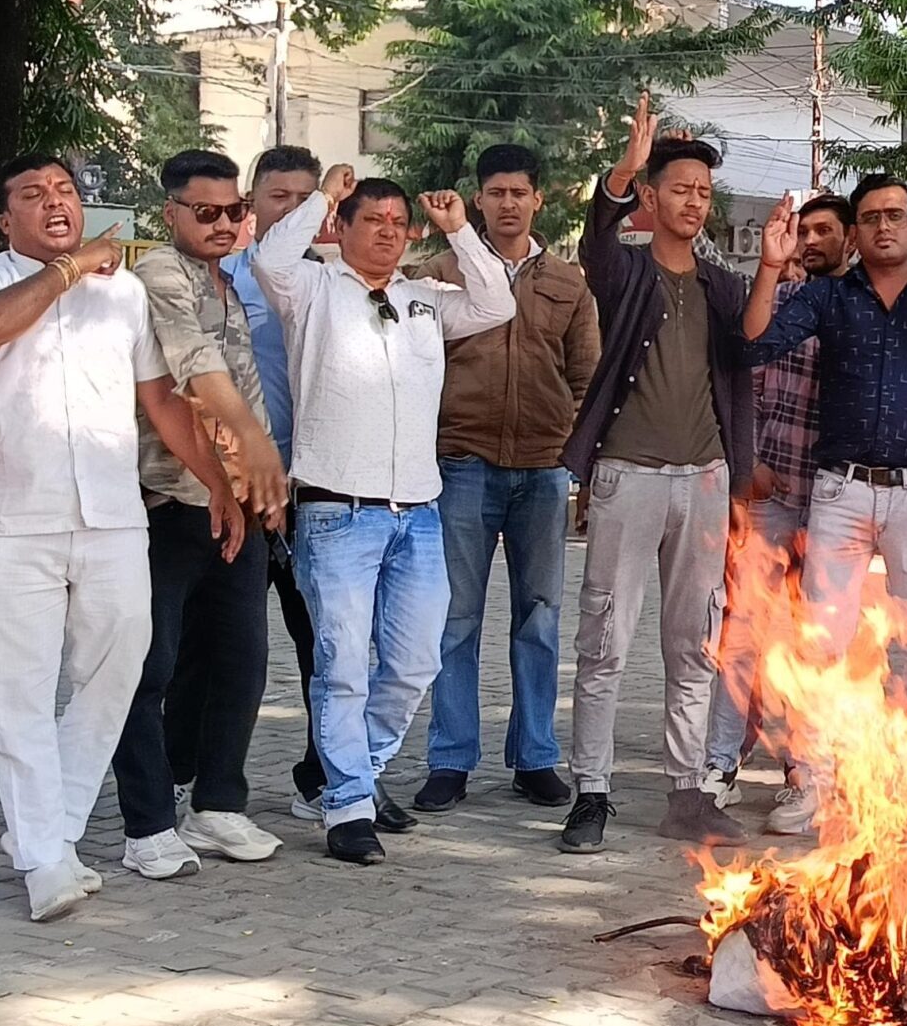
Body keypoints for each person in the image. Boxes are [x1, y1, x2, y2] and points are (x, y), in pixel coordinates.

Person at [0, 156, 235, 921]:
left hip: (111, 516)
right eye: (34, 197)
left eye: (66, 192)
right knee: (22, 698)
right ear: (6, 221)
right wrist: (71, 268)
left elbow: (161, 404)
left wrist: (218, 483)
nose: (56, 204)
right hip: (17, 520)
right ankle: (43, 862)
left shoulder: (124, 294)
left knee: (119, 674)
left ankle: (53, 831)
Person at [250, 166, 514, 863]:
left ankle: (347, 778)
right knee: (341, 667)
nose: (389, 233)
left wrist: (460, 228)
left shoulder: (424, 299)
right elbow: (268, 258)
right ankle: (348, 808)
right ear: (344, 227)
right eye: (374, 220)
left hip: (417, 512)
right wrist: (321, 197)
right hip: (337, 512)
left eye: (400, 223)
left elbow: (497, 303)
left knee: (413, 662)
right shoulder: (311, 289)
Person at [741, 172, 907, 835]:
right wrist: (769, 265)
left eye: (895, 215)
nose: (883, 226)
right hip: (841, 491)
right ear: (857, 232)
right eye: (871, 216)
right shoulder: (827, 297)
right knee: (823, 642)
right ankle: (811, 783)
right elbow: (757, 342)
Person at [559, 95, 755, 853]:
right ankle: (592, 791)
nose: (694, 202)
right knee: (604, 640)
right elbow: (596, 238)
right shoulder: (625, 271)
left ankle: (687, 791)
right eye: (680, 189)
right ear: (652, 197)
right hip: (626, 477)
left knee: (692, 645)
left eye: (704, 193)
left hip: (703, 480)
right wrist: (625, 168)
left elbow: (752, 350)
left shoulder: (722, 286)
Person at [110, 150, 292, 880]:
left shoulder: (234, 279)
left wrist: (258, 474)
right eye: (205, 212)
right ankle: (146, 823)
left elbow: (241, 381)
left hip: (239, 504)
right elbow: (191, 366)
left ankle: (217, 804)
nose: (224, 224)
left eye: (234, 211)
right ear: (172, 214)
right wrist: (249, 442)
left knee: (241, 662)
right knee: (147, 669)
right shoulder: (157, 274)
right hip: (167, 501)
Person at [410, 143, 600, 813]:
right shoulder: (438, 272)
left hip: (543, 471)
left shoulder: (569, 282)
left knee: (540, 618)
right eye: (496, 193)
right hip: (460, 465)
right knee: (455, 619)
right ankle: (451, 759)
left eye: (520, 192)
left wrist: (572, 462)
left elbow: (587, 379)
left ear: (538, 199)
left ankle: (536, 757)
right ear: (478, 199)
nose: (508, 203)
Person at [700, 193, 851, 812]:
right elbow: (743, 381)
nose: (812, 240)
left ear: (850, 240)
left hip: (838, 503)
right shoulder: (782, 304)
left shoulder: (864, 309)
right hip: (770, 494)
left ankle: (805, 766)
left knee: (818, 641)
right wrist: (747, 465)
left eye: (824, 231)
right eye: (805, 231)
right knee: (742, 632)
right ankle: (718, 762)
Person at [225, 144, 331, 816]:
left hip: (315, 494)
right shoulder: (223, 282)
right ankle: (206, 785)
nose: (290, 210)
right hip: (234, 492)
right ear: (252, 204)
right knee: (225, 649)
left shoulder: (343, 283)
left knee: (328, 649)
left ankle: (325, 778)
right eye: (278, 198)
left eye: (305, 199)